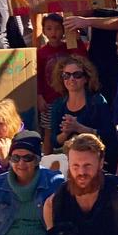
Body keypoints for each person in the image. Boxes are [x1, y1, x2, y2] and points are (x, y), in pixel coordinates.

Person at [49, 55, 118, 171]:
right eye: (66, 75)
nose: (71, 79)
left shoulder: (98, 101)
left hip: (97, 162)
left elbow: (109, 135)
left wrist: (79, 128)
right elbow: (54, 142)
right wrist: (66, 133)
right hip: (69, 163)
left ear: (86, 78)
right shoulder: (58, 105)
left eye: (77, 75)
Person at [37, 14, 88, 154]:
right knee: (48, 132)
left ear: (64, 30)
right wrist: (39, 96)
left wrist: (78, 41)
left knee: (69, 132)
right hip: (49, 100)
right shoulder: (41, 53)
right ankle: (46, 161)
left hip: (68, 99)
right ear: (43, 31)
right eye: (49, 28)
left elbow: (83, 60)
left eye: (58, 29)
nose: (53, 32)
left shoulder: (69, 48)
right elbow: (38, 77)